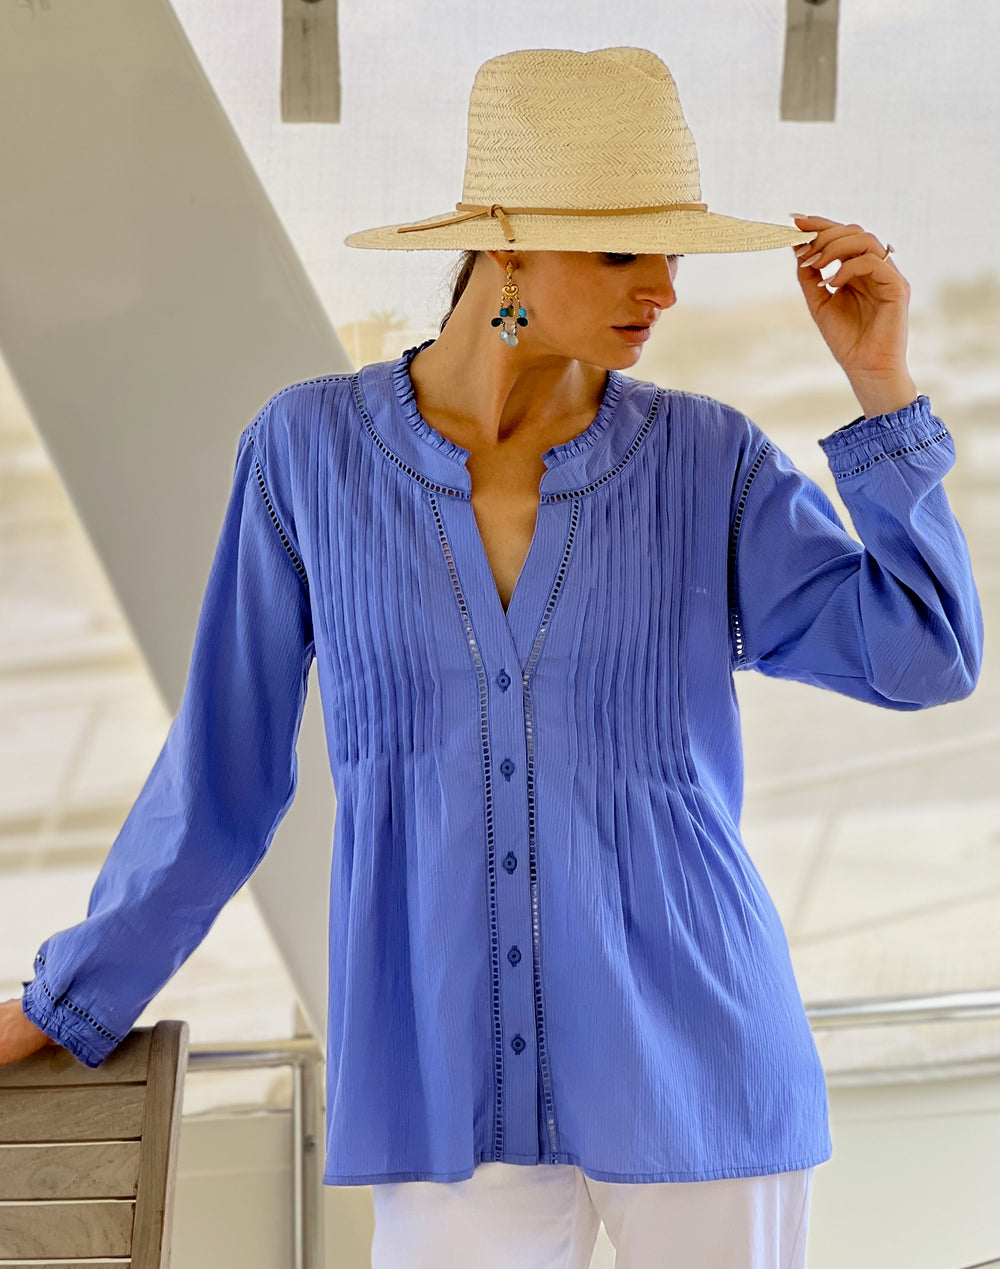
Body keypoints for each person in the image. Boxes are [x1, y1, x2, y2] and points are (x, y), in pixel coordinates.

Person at [0, 45, 984, 1269]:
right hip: (438, 1087)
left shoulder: (704, 462)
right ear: (505, 246)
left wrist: (880, 388)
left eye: (673, 252)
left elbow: (923, 655)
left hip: (705, 1068)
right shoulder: (307, 454)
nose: (664, 290)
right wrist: (66, 1004)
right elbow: (224, 774)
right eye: (622, 251)